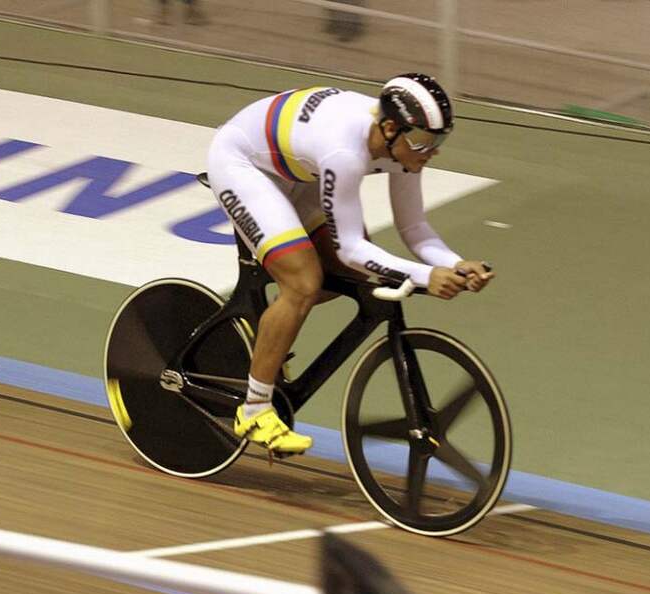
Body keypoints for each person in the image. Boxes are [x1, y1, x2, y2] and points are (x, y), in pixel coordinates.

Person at [206, 74, 494, 454]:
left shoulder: (403, 146)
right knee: (303, 283)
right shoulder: (345, 153)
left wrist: (455, 265)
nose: (432, 151)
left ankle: (269, 333)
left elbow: (413, 226)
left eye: (439, 141)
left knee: (354, 276)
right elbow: (350, 247)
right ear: (390, 128)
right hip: (243, 164)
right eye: (426, 141)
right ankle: (255, 409)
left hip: (298, 168)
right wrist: (427, 275)